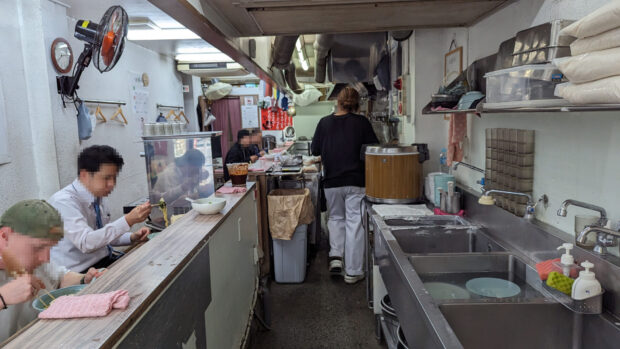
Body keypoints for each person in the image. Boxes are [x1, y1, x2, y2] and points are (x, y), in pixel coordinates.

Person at [0, 200, 104, 342]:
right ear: (5, 237)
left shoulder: (36, 262)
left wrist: (85, 279)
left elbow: (60, 278)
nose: (45, 258)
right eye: (37, 248)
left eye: (49, 248)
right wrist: (3, 298)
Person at [311, 86, 379, 284]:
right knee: (354, 223)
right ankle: (354, 271)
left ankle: (336, 258)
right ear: (357, 104)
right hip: (356, 181)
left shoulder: (324, 123)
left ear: (337, 102)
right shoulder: (362, 122)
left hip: (331, 182)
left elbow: (315, 150)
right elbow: (373, 149)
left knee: (335, 219)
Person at [49, 145, 152, 273]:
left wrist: (132, 237)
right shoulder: (63, 202)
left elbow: (105, 235)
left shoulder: (97, 196)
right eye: (106, 178)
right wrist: (127, 221)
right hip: (80, 273)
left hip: (105, 261)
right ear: (84, 175)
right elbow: (87, 243)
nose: (112, 184)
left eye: (114, 178)